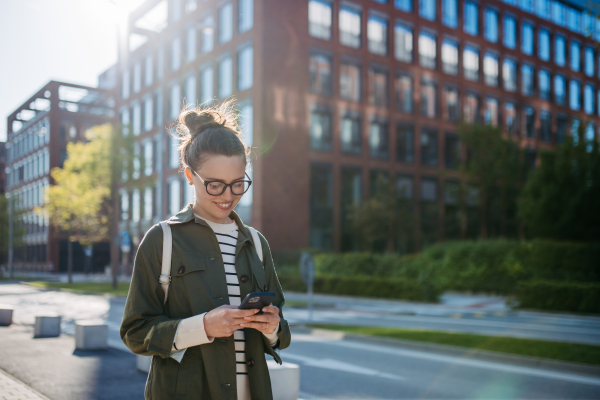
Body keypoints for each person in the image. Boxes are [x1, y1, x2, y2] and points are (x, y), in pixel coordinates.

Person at [120, 100, 291, 400]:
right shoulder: (162, 240)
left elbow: (282, 334)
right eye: (215, 185)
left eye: (238, 184)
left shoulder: (257, 243)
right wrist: (202, 327)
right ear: (189, 176)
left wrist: (272, 327)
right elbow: (135, 333)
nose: (228, 196)